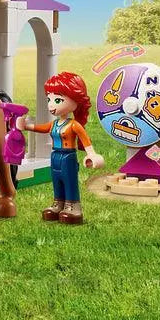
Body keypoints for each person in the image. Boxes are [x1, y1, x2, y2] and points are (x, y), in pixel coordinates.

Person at [16, 72, 104, 224]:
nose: (51, 104)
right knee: (57, 180)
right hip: (55, 156)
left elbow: (86, 140)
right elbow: (42, 128)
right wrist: (26, 126)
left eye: (57, 100)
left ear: (76, 101)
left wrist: (92, 155)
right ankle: (58, 203)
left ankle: (73, 206)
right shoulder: (55, 124)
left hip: (68, 157)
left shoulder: (74, 125)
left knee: (69, 181)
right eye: (49, 99)